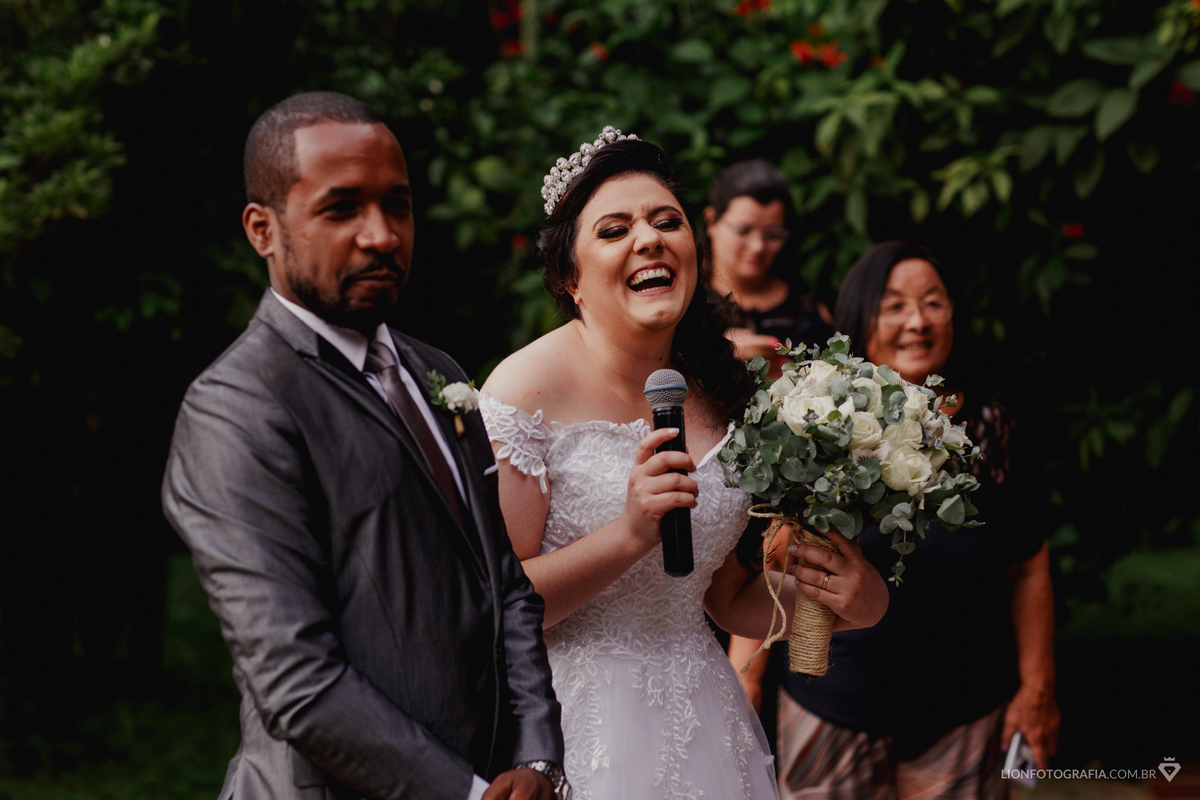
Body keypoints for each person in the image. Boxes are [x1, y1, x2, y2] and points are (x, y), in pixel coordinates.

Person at [161, 91, 566, 800]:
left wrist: (534, 757)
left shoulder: (435, 371)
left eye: (398, 205)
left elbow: (505, 587)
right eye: (341, 208)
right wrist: (467, 794)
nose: (381, 235)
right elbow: (295, 679)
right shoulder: (237, 408)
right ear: (263, 229)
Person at [478, 128, 889, 799]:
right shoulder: (525, 390)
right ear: (571, 278)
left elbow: (724, 597)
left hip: (703, 723)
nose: (648, 238)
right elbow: (496, 607)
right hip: (563, 734)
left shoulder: (722, 391)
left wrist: (850, 607)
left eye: (666, 221)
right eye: (615, 229)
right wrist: (628, 535)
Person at [772, 241, 1060, 800]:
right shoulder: (820, 428)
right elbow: (780, 565)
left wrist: (1038, 690)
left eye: (933, 302)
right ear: (859, 319)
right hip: (831, 705)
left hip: (964, 712)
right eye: (895, 305)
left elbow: (1030, 565)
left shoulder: (991, 431)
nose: (917, 322)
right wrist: (747, 673)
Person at [703, 159, 832, 373]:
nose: (757, 247)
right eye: (743, 231)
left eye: (772, 235)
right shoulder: (687, 301)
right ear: (711, 221)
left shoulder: (811, 311)